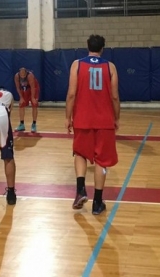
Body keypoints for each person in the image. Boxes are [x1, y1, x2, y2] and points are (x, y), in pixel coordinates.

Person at [65, 34, 120, 215]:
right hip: (104, 120)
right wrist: (117, 117)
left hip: (82, 118)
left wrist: (68, 117)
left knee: (80, 153)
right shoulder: (110, 66)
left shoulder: (76, 64)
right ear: (102, 48)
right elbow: (114, 96)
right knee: (101, 162)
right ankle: (97, 202)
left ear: (87, 46)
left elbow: (71, 94)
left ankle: (81, 189)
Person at [14, 67, 39, 132]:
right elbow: (18, 88)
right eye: (21, 75)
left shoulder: (30, 76)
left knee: (34, 104)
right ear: (19, 73)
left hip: (33, 88)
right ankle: (21, 124)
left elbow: (33, 87)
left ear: (26, 73)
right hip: (24, 89)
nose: (22, 76)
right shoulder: (17, 76)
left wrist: (33, 98)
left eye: (23, 75)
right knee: (21, 104)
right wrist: (21, 98)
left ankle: (34, 124)